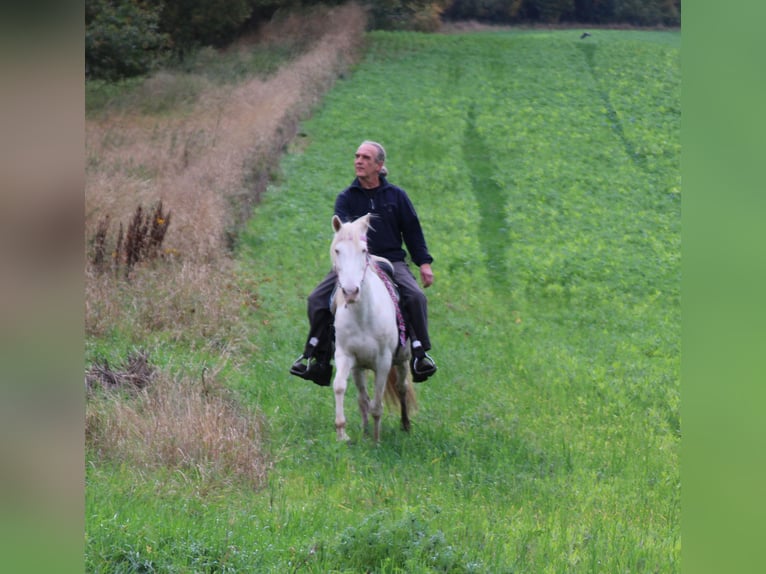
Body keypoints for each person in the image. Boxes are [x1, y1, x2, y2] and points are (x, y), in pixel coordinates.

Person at [289, 140, 437, 386]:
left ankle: (420, 354)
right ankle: (317, 357)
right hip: (355, 263)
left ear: (379, 165)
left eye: (366, 158)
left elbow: (412, 231)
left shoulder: (396, 196)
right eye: (357, 156)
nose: (359, 161)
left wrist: (424, 263)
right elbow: (345, 234)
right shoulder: (346, 198)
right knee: (317, 299)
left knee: (415, 297)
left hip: (391, 260)